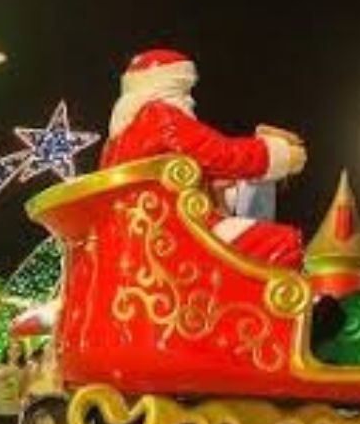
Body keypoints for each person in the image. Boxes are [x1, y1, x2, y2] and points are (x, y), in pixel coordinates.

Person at [100, 49, 308, 266]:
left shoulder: (116, 142)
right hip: (174, 233)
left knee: (256, 228)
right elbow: (219, 154)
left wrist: (247, 171)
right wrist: (276, 153)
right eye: (184, 91)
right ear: (167, 87)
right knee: (284, 243)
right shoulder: (160, 116)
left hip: (146, 234)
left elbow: (194, 172)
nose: (190, 101)